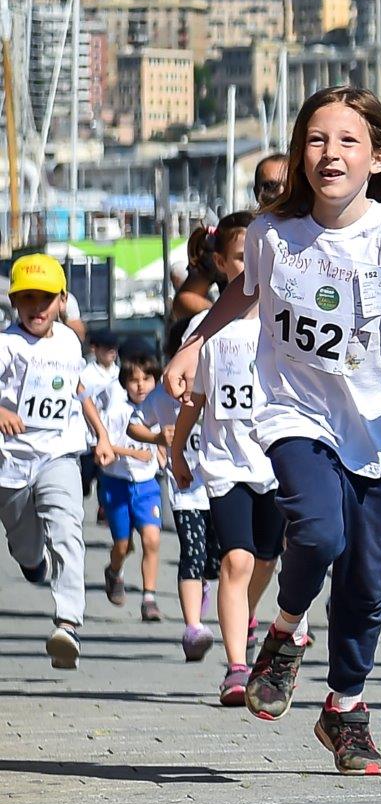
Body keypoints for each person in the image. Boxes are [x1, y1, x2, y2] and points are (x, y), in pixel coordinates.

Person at [163, 86, 381, 775]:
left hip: (375, 430)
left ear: (377, 157)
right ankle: (283, 631)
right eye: (316, 139)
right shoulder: (274, 234)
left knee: (368, 584)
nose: (329, 153)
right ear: (298, 154)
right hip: (291, 412)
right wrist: (194, 345)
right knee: (317, 532)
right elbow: (242, 291)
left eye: (346, 140)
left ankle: (344, 709)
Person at [171, 210, 286, 706]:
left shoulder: (283, 318)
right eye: (242, 258)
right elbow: (193, 399)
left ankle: (248, 612)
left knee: (267, 558)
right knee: (235, 560)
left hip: (276, 462)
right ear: (220, 263)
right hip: (225, 464)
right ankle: (237, 667)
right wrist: (177, 451)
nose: (251, 266)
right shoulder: (203, 328)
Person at [0, 254, 115, 669]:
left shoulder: (68, 341)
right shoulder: (6, 345)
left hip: (59, 453)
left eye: (45, 298)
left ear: (62, 300)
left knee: (68, 529)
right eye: (27, 298)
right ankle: (33, 562)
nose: (37, 307)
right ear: (14, 302)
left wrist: (101, 434)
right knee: (25, 543)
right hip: (11, 463)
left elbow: (79, 388)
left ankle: (68, 623)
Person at [129, 319, 221, 661]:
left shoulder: (214, 386)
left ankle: (203, 587)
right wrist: (157, 438)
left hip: (220, 486)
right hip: (185, 492)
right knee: (191, 556)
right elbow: (133, 424)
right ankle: (193, 628)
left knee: (217, 559)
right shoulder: (161, 397)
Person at [97, 353, 164, 622]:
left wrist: (162, 452)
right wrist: (132, 453)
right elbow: (104, 444)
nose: (140, 385)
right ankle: (114, 571)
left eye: (147, 379)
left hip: (147, 485)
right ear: (124, 383)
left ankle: (149, 598)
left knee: (152, 539)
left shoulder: (159, 408)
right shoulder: (116, 411)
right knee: (122, 545)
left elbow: (164, 435)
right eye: (134, 380)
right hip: (117, 483)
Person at [79, 329, 119, 497]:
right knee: (85, 480)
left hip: (114, 438)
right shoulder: (87, 375)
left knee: (108, 479)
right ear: (95, 349)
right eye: (107, 348)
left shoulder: (119, 373)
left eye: (114, 348)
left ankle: (105, 509)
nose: (112, 352)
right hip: (91, 439)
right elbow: (84, 405)